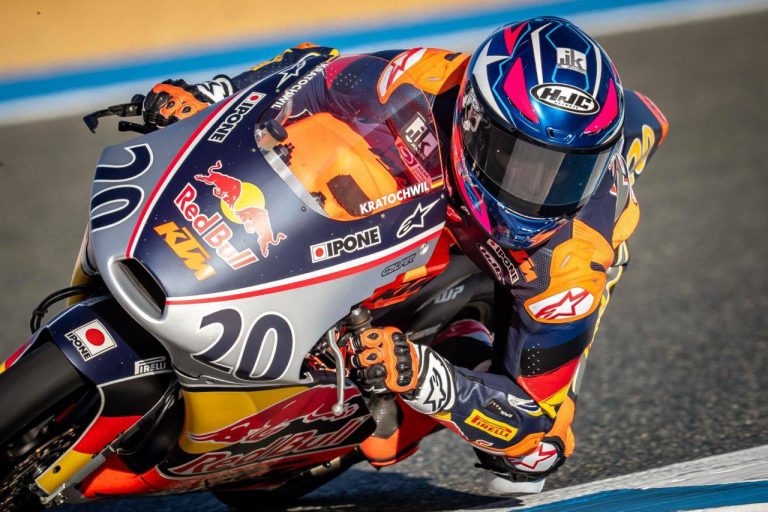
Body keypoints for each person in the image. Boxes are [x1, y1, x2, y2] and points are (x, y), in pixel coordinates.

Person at [139, 16, 668, 494]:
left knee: (530, 459)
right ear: (474, 119)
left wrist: (420, 375)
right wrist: (214, 96)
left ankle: (453, 342)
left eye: (567, 173)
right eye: (518, 160)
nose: (536, 193)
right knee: (329, 143)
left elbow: (529, 417)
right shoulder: (430, 79)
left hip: (534, 267)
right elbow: (309, 69)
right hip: (443, 204)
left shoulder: (574, 256)